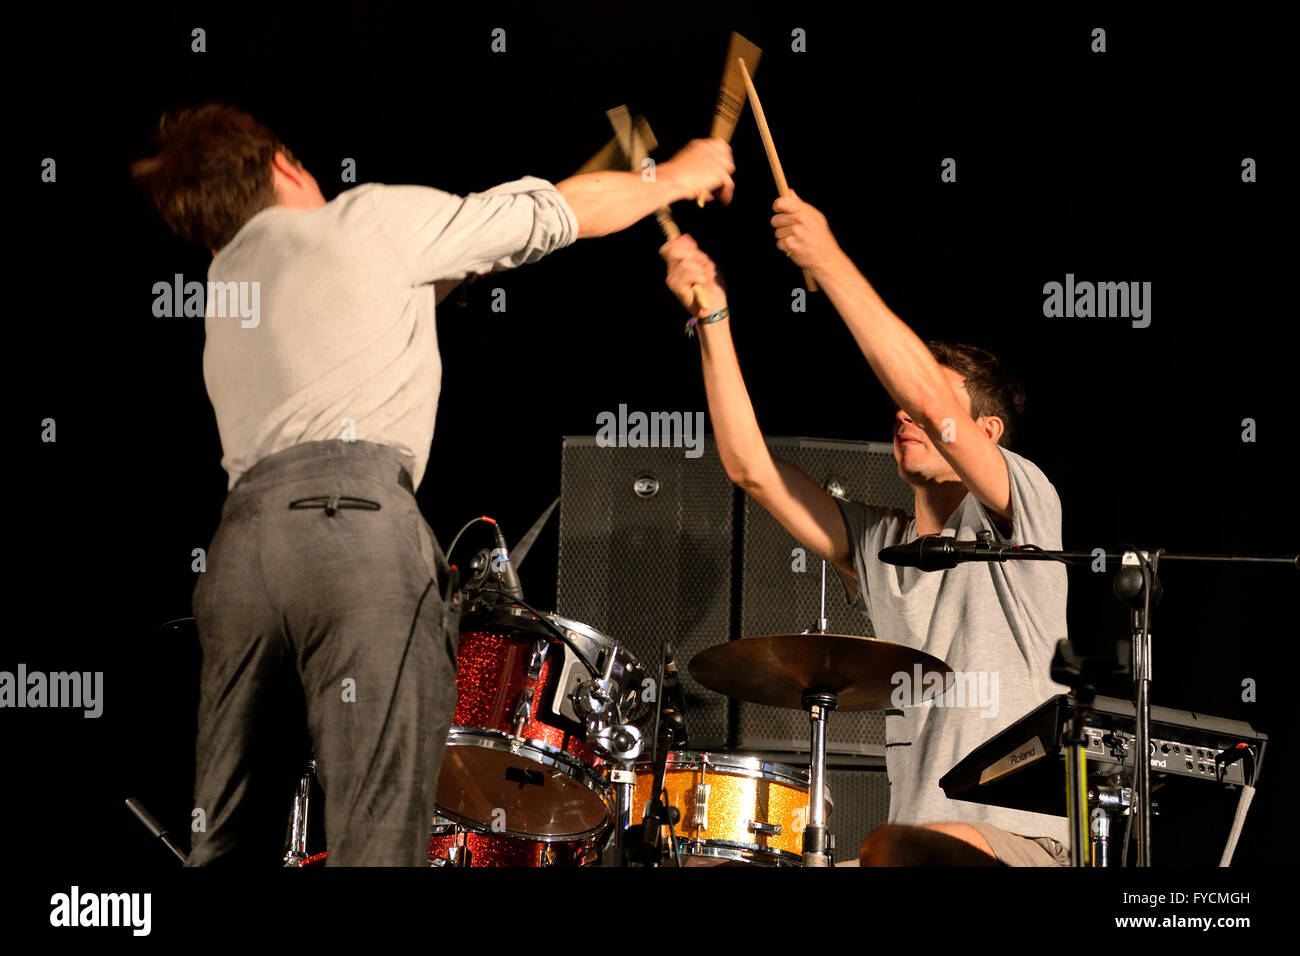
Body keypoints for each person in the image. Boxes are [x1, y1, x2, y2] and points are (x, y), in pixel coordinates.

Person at [132, 102, 735, 865]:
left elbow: (412, 287)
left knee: (230, 839)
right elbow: (558, 213)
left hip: (242, 556)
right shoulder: (366, 219)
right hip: (352, 530)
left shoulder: (230, 283)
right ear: (285, 164)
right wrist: (672, 177)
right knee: (378, 825)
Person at [661, 191, 1071, 866]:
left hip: (1024, 843)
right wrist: (712, 318)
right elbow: (751, 468)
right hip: (907, 848)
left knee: (900, 853)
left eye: (919, 402)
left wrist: (826, 257)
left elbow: (934, 406)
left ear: (988, 434)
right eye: (898, 407)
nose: (903, 414)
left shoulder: (1022, 504)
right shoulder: (880, 545)